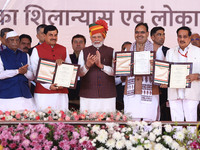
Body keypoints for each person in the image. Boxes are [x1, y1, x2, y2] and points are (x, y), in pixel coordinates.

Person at [78, 19, 116, 113]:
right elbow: (79, 73)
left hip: (108, 95)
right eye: (94, 37)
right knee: (87, 122)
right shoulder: (84, 51)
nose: (97, 39)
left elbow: (115, 72)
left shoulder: (111, 51)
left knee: (109, 122)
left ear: (104, 37)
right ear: (90, 38)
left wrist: (101, 66)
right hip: (88, 94)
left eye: (99, 36)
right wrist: (87, 66)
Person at [124, 23, 159, 121]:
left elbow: (162, 72)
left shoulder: (156, 49)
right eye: (137, 32)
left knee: (150, 125)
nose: (139, 35)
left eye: (142, 32)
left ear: (147, 34)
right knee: (132, 125)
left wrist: (155, 66)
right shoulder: (128, 49)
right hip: (131, 93)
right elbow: (122, 74)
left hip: (150, 92)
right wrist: (120, 65)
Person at [31, 25, 71, 111]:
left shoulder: (63, 49)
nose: (54, 37)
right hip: (43, 92)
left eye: (55, 35)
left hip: (61, 92)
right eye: (51, 35)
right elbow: (35, 72)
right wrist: (49, 86)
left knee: (62, 118)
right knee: (42, 119)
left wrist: (63, 64)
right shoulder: (36, 50)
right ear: (44, 36)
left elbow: (70, 70)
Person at [165, 26, 200, 121]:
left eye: (185, 37)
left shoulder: (198, 52)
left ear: (189, 38)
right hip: (174, 93)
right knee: (176, 124)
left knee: (191, 123)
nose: (182, 39)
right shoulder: (170, 52)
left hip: (192, 93)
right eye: (179, 36)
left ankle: (192, 137)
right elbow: (166, 72)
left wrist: (197, 76)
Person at [0, 31, 36, 111]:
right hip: (6, 95)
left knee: (27, 120)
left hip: (25, 95)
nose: (15, 42)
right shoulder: (1, 55)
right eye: (12, 40)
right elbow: (0, 74)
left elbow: (32, 76)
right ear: (6, 42)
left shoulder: (25, 55)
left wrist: (25, 72)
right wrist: (17, 71)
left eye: (17, 40)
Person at [150, 26, 171, 121]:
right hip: (150, 88)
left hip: (164, 88)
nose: (162, 37)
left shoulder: (169, 51)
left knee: (164, 115)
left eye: (163, 34)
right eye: (159, 34)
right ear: (152, 37)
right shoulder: (146, 51)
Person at [68, 34, 86, 109]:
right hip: (71, 90)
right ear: (72, 44)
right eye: (75, 42)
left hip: (85, 88)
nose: (78, 44)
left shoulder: (90, 58)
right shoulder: (67, 58)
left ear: (85, 44)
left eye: (80, 42)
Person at [29, 24, 47, 96]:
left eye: (47, 32)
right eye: (43, 33)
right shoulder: (31, 51)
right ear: (37, 36)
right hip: (36, 86)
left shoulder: (57, 50)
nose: (45, 35)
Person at [115, 41, 132, 111]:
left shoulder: (137, 62)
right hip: (119, 94)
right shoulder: (115, 62)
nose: (127, 51)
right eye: (125, 49)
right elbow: (111, 81)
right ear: (121, 50)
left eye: (130, 49)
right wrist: (121, 79)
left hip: (132, 93)